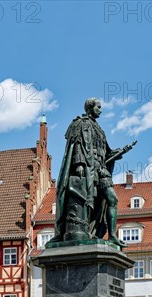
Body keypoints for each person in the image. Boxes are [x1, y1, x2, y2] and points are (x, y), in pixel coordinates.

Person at [49, 98, 136, 247]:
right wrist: (79, 164)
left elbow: (105, 151)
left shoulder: (99, 129)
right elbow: (77, 145)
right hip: (88, 168)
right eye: (98, 107)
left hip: (101, 169)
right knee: (89, 200)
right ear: (91, 107)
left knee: (112, 199)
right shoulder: (81, 123)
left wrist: (117, 152)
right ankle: (85, 231)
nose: (100, 110)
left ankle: (113, 236)